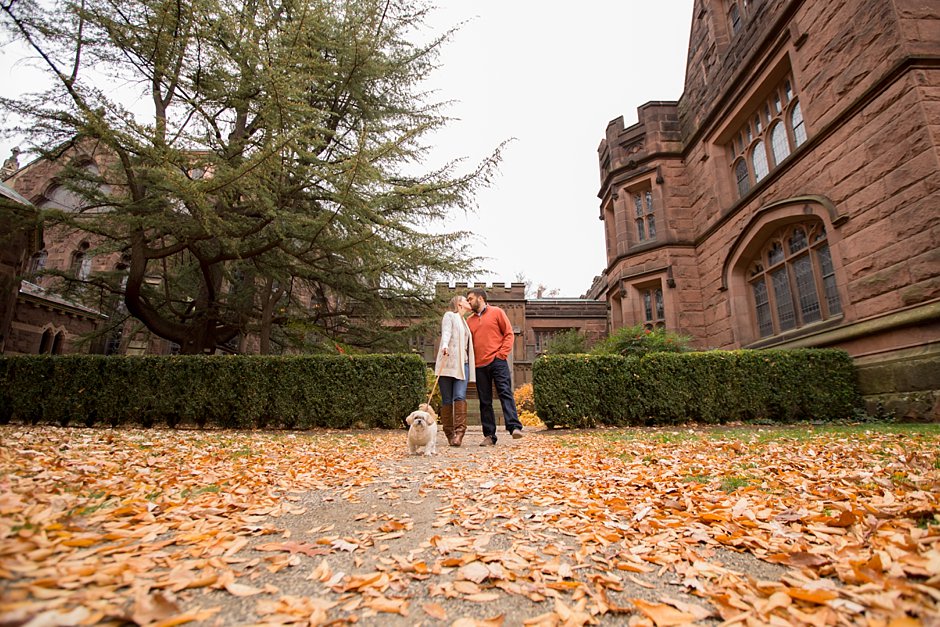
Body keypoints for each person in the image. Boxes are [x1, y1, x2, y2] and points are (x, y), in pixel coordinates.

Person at [465, 288, 524, 446]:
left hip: (497, 361)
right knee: (485, 401)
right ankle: (489, 436)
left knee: (505, 392)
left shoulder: (497, 312)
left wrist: (502, 354)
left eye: (470, 298)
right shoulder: (469, 320)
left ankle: (514, 427)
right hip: (479, 365)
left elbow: (509, 333)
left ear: (481, 298)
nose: (468, 301)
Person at [435, 295, 475, 446]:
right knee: (447, 400)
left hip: (462, 364)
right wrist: (444, 345)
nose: (468, 302)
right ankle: (449, 433)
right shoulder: (450, 316)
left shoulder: (465, 322)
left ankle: (459, 434)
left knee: (459, 396)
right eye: (466, 300)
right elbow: (446, 332)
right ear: (459, 303)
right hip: (448, 363)